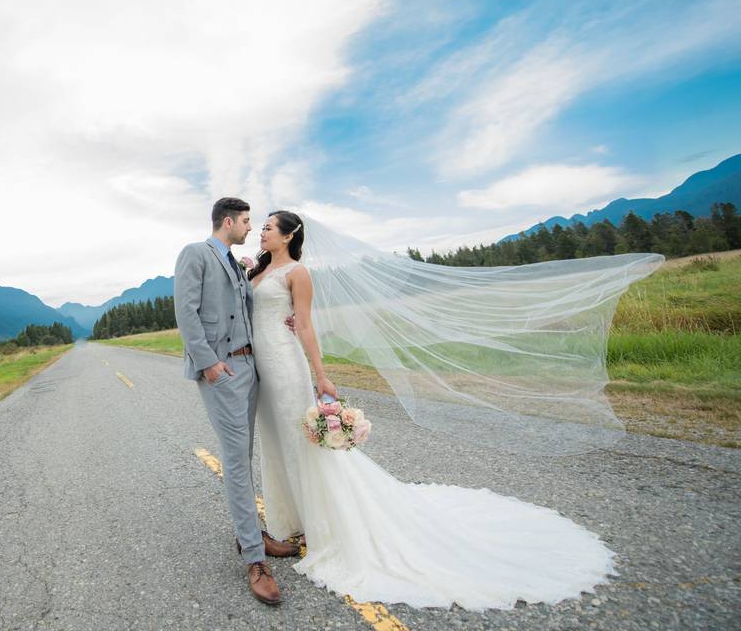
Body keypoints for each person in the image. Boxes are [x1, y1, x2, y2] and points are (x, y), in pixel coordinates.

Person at [247, 209, 621, 611]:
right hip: (261, 370)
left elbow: (304, 325)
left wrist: (322, 375)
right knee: (276, 442)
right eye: (262, 227)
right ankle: (290, 522)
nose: (262, 232)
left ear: (288, 236)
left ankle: (325, 523)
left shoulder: (298, 274)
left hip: (286, 366)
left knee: (300, 442)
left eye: (268, 227)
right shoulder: (259, 272)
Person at [173, 197, 301, 606]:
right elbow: (186, 313)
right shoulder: (196, 254)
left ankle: (252, 533)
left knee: (244, 459)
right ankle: (254, 558)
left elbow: (250, 309)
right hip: (223, 372)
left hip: (251, 368)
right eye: (247, 221)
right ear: (228, 221)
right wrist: (209, 365)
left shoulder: (234, 260)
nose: (251, 228)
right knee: (234, 460)